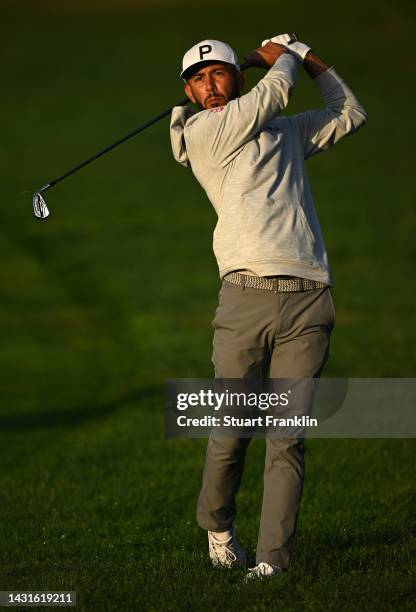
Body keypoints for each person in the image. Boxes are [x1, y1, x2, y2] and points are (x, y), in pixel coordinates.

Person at [170, 35, 367, 579]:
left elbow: (350, 112)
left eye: (219, 75)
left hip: (309, 300)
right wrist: (279, 55)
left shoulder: (283, 132)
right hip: (245, 301)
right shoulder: (204, 131)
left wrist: (307, 57)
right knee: (232, 428)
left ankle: (271, 564)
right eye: (198, 80)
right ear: (189, 91)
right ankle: (217, 522)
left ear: (237, 77)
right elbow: (272, 96)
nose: (209, 87)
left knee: (288, 438)